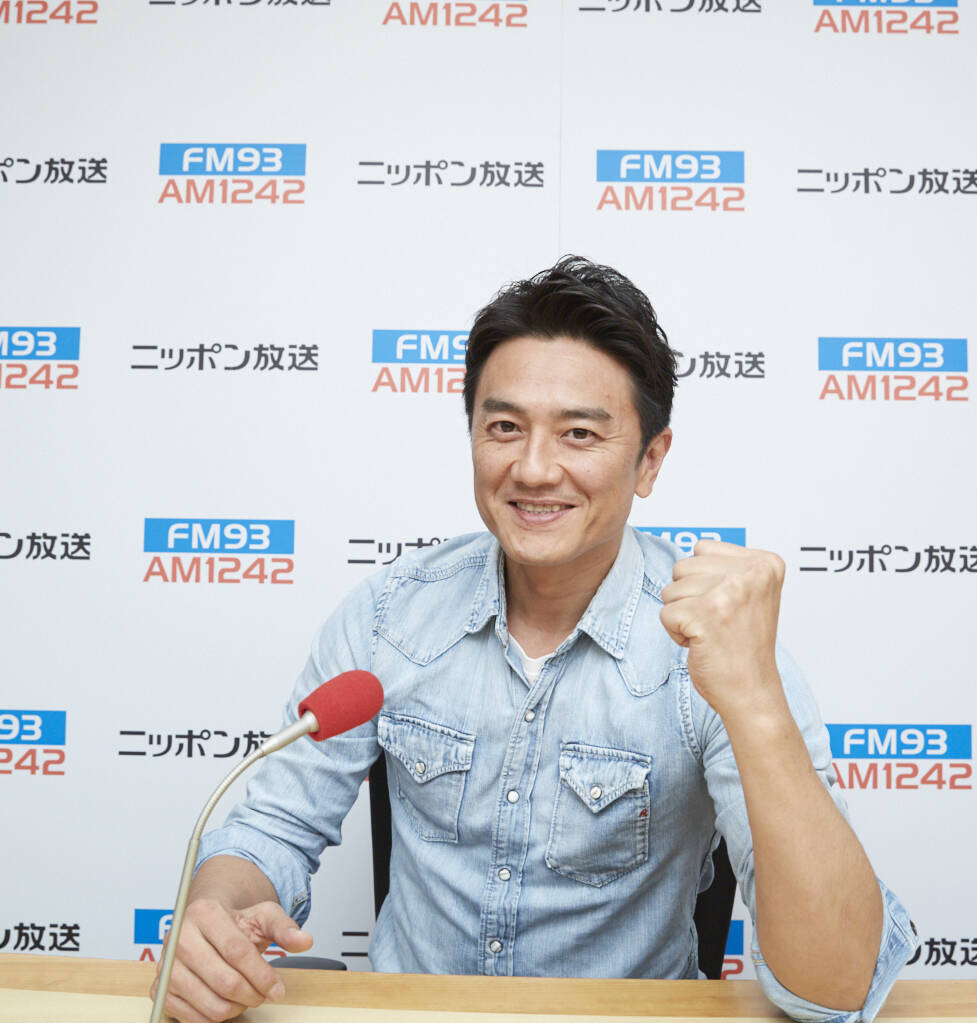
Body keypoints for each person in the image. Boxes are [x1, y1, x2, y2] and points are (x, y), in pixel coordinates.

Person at [153, 256, 915, 1023]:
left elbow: (835, 990)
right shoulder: (389, 614)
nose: (534, 468)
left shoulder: (715, 641)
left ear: (650, 459)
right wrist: (216, 913)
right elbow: (272, 828)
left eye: (579, 433)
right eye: (504, 428)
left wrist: (755, 702)